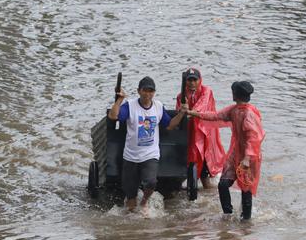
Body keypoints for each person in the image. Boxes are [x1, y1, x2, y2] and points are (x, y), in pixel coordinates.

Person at [106, 76, 187, 213]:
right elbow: (113, 116)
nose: (148, 94)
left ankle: (144, 202)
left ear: (154, 93)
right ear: (139, 91)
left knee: (151, 182)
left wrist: (181, 114)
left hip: (150, 155)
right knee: (130, 198)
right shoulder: (130, 106)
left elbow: (169, 125)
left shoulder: (158, 106)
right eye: (145, 90)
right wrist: (120, 100)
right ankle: (132, 216)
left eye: (151, 91)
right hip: (131, 156)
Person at [188, 81, 265, 220]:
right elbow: (216, 116)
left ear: (236, 94)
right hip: (236, 153)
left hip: (250, 156)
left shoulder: (249, 114)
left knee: (246, 189)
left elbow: (254, 138)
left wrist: (247, 158)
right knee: (223, 184)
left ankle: (245, 220)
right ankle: (228, 214)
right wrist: (194, 113)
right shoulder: (234, 110)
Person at [174, 67, 225, 190]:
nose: (192, 83)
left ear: (199, 80)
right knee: (190, 166)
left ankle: (210, 193)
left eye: (194, 80)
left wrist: (188, 111)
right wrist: (182, 109)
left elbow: (201, 107)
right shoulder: (181, 95)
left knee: (205, 171)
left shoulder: (206, 91)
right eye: (189, 80)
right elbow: (178, 115)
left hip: (206, 135)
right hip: (190, 135)